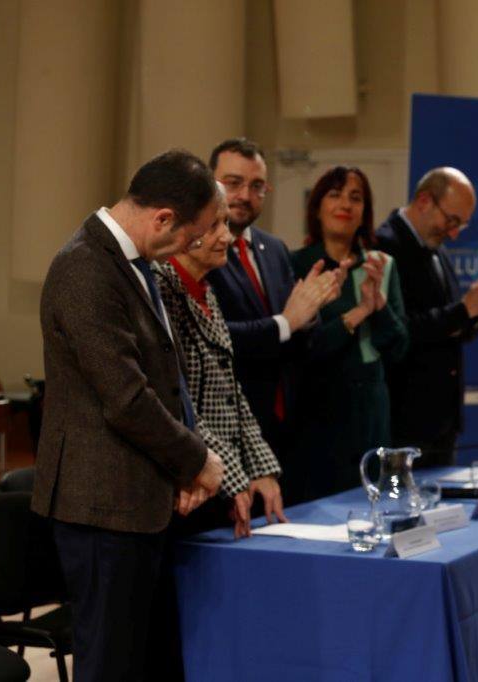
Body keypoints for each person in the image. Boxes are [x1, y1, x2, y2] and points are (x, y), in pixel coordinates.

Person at [32, 149, 225, 680]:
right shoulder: (83, 268)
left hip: (143, 498)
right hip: (101, 507)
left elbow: (170, 378)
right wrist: (196, 459)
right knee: (112, 666)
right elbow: (127, 398)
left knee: (155, 662)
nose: (197, 246)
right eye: (195, 234)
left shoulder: (139, 264)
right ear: (163, 218)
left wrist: (185, 466)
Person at [157, 183, 313, 537]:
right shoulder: (162, 290)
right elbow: (180, 405)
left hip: (219, 482)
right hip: (187, 483)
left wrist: (262, 469)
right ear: (183, 231)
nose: (227, 238)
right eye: (215, 226)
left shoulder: (207, 292)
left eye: (227, 225)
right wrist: (232, 476)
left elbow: (232, 393)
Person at [206, 138, 347, 505]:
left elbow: (298, 338)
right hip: (230, 431)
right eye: (233, 183)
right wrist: (287, 320)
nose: (244, 196)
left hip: (290, 431)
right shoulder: (197, 250)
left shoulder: (274, 249)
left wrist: (312, 308)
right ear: (209, 182)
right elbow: (215, 338)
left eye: (256, 186)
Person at [376, 167, 478, 466]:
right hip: (403, 419)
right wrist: (465, 309)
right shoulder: (385, 246)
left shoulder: (437, 250)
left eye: (462, 225)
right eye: (451, 220)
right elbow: (398, 331)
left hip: (442, 420)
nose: (454, 232)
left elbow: (455, 328)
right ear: (424, 201)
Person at [291, 166, 408, 498]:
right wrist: (357, 314)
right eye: (335, 195)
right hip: (320, 412)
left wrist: (379, 308)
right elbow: (305, 349)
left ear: (365, 214)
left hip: (373, 411)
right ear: (316, 207)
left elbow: (399, 349)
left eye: (356, 198)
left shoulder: (381, 264)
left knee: (376, 504)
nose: (345, 204)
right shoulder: (298, 265)